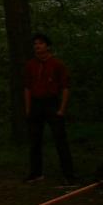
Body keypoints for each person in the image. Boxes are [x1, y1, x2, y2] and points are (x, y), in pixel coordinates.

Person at [24, 32, 75, 184]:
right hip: (36, 104)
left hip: (52, 103)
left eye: (40, 43)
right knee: (35, 141)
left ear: (47, 46)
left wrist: (61, 109)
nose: (37, 46)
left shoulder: (57, 64)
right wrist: (28, 108)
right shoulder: (30, 65)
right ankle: (36, 173)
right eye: (35, 44)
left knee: (60, 140)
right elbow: (27, 87)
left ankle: (69, 174)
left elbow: (65, 87)